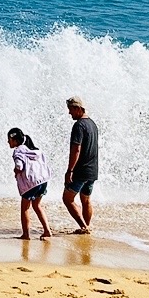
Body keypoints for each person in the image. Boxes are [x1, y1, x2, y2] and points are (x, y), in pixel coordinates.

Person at [62, 96, 99, 234]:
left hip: (81, 170)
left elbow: (76, 149)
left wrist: (70, 170)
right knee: (86, 200)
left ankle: (84, 227)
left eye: (71, 109)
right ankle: (87, 226)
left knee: (67, 199)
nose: (69, 113)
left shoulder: (79, 125)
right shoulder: (92, 124)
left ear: (78, 108)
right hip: (92, 170)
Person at [9, 128, 52, 240]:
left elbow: (19, 166)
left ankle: (26, 234)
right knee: (37, 206)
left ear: (15, 140)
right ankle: (47, 231)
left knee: (25, 208)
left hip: (30, 184)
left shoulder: (18, 150)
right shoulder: (36, 150)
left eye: (9, 139)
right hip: (43, 181)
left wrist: (15, 171)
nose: (8, 142)